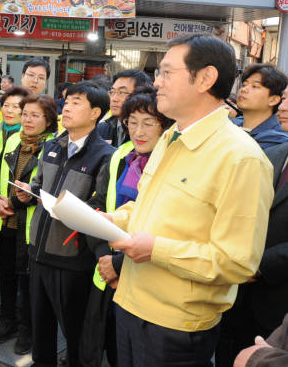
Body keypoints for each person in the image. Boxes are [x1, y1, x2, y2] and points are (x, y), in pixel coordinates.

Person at [105, 35, 273, 367]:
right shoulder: (171, 136)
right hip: (129, 301)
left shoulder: (241, 158)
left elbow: (236, 262)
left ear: (206, 78)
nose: (157, 83)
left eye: (167, 73)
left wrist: (156, 248)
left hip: (174, 325)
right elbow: (150, 207)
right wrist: (112, 220)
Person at [15, 82, 113, 367]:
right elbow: (40, 184)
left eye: (77, 103)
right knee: (40, 324)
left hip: (72, 258)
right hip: (40, 250)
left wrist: (71, 209)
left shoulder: (104, 155)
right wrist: (28, 191)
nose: (67, 107)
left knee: (75, 330)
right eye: (67, 101)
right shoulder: (52, 145)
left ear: (96, 113)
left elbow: (102, 205)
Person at [80, 86, 173, 367]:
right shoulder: (121, 156)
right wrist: (104, 260)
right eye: (132, 123)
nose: (138, 131)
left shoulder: (171, 163)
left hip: (147, 273)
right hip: (107, 265)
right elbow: (101, 204)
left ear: (165, 126)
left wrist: (118, 265)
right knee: (109, 342)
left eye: (148, 123)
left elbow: (163, 223)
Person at [0, 93, 57, 355]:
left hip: (30, 226)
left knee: (28, 283)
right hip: (4, 223)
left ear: (48, 120)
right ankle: (8, 322)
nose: (27, 119)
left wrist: (12, 203)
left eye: (35, 115)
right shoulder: (12, 139)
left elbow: (46, 188)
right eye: (25, 114)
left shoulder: (54, 146)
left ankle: (27, 329)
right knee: (7, 276)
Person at [215, 133, 288, 366]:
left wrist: (260, 267)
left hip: (277, 296)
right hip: (235, 288)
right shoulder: (270, 154)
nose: (284, 105)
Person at [231, 63, 288, 150]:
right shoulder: (230, 124)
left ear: (273, 100)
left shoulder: (278, 139)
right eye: (244, 85)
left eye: (255, 86)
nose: (244, 90)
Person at [97, 70, 152, 148]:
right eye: (112, 92)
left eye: (122, 92)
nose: (114, 99)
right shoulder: (103, 129)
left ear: (141, 95)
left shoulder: (147, 134)